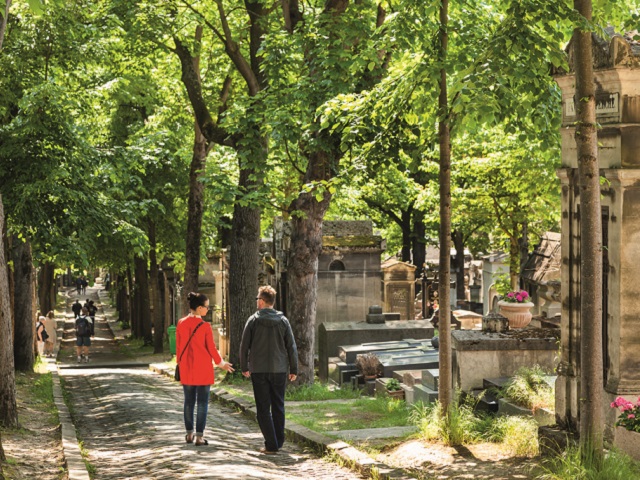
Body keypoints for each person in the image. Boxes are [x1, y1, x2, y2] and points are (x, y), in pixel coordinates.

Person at [240, 285, 298, 455]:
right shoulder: (283, 321)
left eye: (258, 298)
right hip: (279, 369)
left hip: (259, 370)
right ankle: (278, 442)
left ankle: (271, 444)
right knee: (278, 406)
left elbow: (244, 346)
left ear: (263, 301)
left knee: (263, 409)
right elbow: (291, 347)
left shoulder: (253, 320)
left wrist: (244, 366)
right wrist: (293, 368)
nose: (257, 301)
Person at [176, 292, 234, 446]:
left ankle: (189, 434)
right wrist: (222, 363)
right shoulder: (205, 326)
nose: (208, 310)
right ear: (200, 308)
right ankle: (200, 437)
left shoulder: (181, 323)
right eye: (207, 307)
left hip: (186, 369)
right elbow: (212, 349)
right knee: (202, 403)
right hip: (202, 369)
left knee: (188, 402)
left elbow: (178, 347)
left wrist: (180, 365)